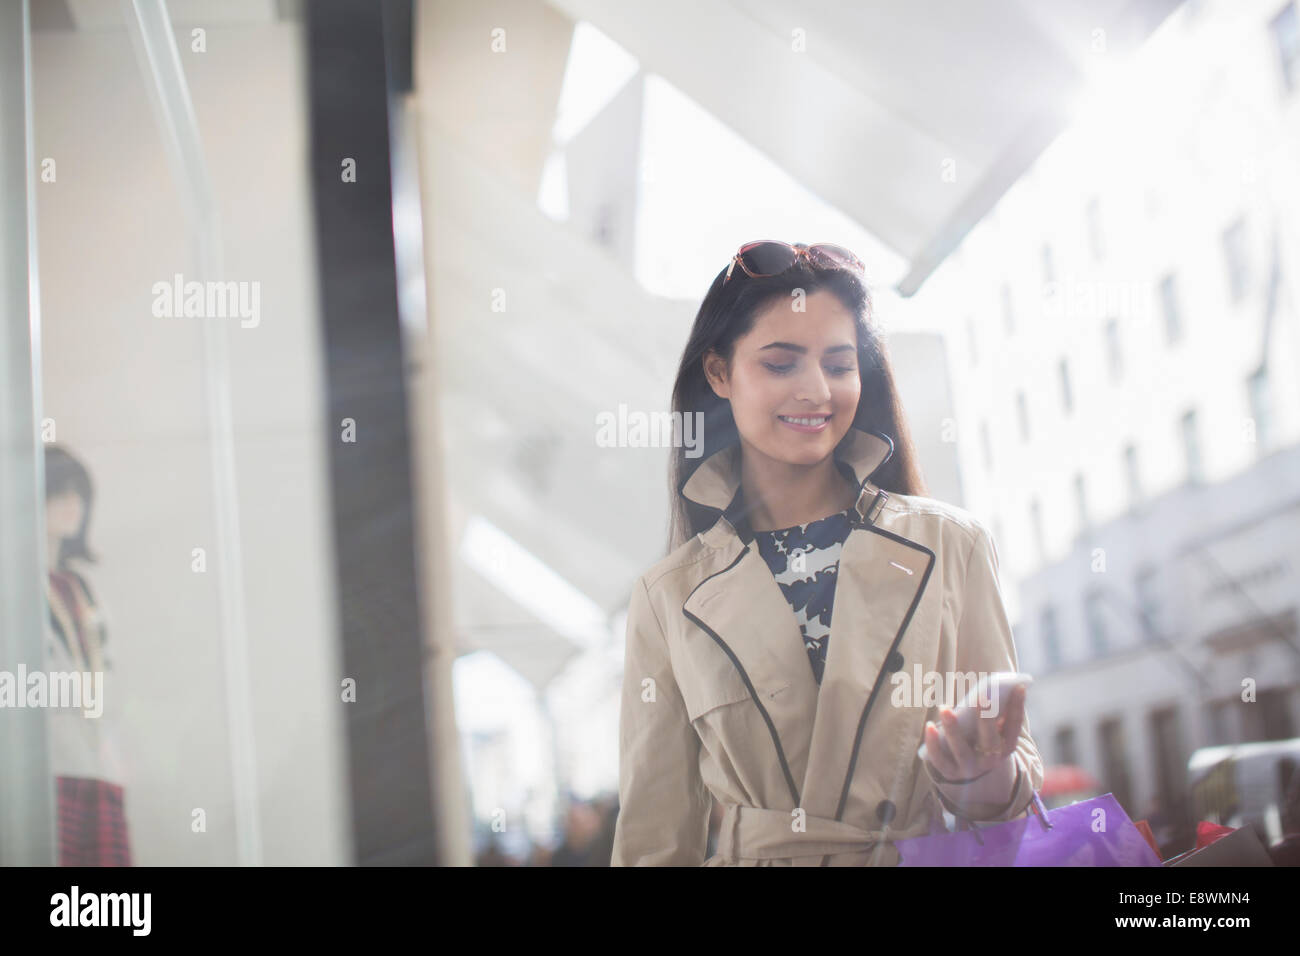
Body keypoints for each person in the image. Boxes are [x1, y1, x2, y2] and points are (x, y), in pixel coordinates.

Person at [610, 241, 1044, 866]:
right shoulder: (668, 595)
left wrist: (981, 778)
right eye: (782, 364)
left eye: (839, 365)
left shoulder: (951, 544)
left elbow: (1014, 796)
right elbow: (655, 839)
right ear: (719, 373)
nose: (816, 390)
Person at [44, 445, 132, 866]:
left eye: (78, 494)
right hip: (47, 771)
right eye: (59, 493)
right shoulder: (15, 587)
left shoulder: (81, 590)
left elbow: (107, 677)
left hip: (98, 766)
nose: (72, 506)